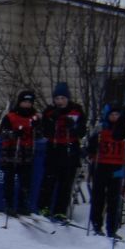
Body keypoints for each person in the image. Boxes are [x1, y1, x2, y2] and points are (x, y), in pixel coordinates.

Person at [36, 82, 86, 222]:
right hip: (54, 149)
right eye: (57, 98)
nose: (60, 101)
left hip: (70, 151)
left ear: (67, 98)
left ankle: (60, 211)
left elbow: (82, 131)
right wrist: (52, 121)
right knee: (48, 181)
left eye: (63, 98)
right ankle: (44, 207)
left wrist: (73, 128)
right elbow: (44, 131)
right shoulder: (50, 111)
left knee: (65, 184)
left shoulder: (77, 110)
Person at [87, 105, 125, 240]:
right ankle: (96, 225)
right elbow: (91, 146)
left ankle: (112, 228)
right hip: (101, 166)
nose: (114, 117)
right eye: (112, 115)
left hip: (117, 167)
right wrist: (92, 155)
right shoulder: (101, 129)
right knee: (98, 197)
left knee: (114, 199)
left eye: (117, 115)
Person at [0, 90, 39, 219]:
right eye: (24, 102)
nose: (26, 105)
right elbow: (2, 133)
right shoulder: (10, 116)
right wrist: (13, 134)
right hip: (11, 152)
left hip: (27, 153)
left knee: (26, 180)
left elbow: (40, 134)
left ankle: (23, 205)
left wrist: (37, 128)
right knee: (9, 180)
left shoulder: (34, 117)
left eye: (29, 102)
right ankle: (9, 204)